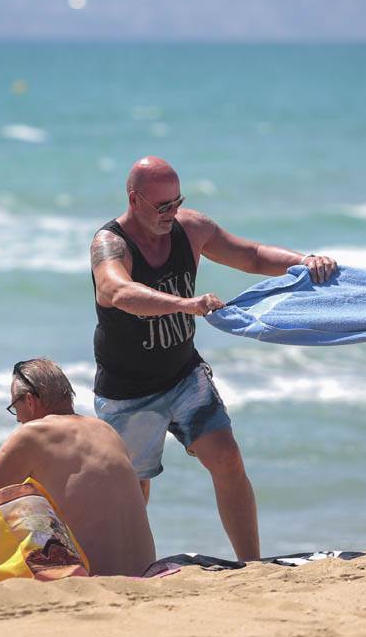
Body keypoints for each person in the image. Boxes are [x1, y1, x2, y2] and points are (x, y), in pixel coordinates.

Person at [89, 156, 338, 561]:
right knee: (134, 490)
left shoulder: (191, 228)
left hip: (184, 375)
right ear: (134, 199)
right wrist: (185, 304)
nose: (172, 213)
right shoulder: (110, 244)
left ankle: (251, 564)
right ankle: (128, 570)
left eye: (177, 201)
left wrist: (303, 261)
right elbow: (116, 292)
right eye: (162, 206)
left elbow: (253, 255)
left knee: (227, 457)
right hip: (128, 391)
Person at [0, 358, 156, 580]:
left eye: (15, 407)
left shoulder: (33, 435)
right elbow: (75, 494)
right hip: (142, 572)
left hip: (87, 581)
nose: (17, 419)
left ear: (30, 401)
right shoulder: (106, 431)